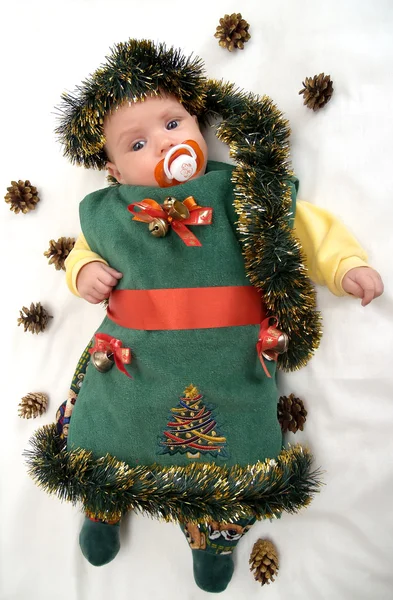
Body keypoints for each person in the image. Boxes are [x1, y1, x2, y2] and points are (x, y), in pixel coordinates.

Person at [27, 39, 383, 594]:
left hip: (229, 359)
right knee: (105, 429)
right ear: (114, 171)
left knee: (235, 445)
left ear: (198, 120)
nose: (164, 143)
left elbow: (303, 229)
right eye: (138, 143)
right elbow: (81, 252)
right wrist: (84, 272)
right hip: (133, 361)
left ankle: (214, 535)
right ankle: (102, 502)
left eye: (173, 123)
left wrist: (345, 266)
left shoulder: (239, 188)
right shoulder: (108, 212)